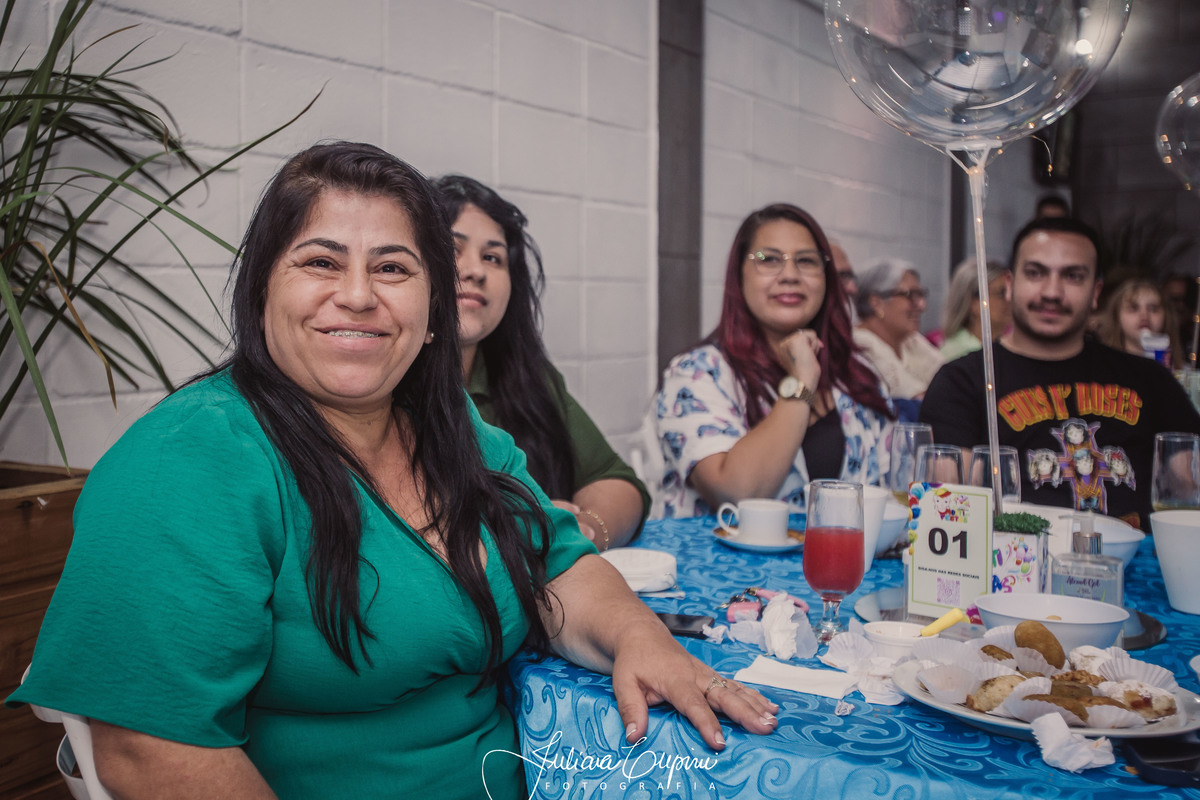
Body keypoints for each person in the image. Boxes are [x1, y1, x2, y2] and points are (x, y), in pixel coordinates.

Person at [8, 143, 778, 800]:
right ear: (262, 289)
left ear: (434, 308)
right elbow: (148, 748)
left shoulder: (453, 427)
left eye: (392, 267)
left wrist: (640, 635)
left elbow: (556, 561)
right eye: (320, 261)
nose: (357, 295)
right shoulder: (190, 458)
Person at [919, 216, 1200, 529]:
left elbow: (1189, 485)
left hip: (1139, 557)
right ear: (1010, 285)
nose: (1052, 292)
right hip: (1015, 556)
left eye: (1073, 276)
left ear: (1096, 292)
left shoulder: (1149, 379)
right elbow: (949, 514)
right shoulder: (961, 382)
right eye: (1036, 273)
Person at [434, 174, 648, 550]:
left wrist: (584, 530)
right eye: (453, 249)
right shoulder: (379, 387)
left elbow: (620, 484)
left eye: (492, 257)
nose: (476, 270)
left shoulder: (529, 380)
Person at [655, 203, 893, 518]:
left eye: (806, 261)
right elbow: (736, 494)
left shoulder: (857, 374)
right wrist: (801, 380)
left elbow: (890, 497)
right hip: (721, 552)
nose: (790, 275)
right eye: (768, 259)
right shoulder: (697, 374)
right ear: (739, 276)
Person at [852, 259, 944, 401]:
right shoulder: (859, 344)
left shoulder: (910, 340)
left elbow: (954, 384)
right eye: (910, 295)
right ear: (876, 303)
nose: (922, 305)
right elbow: (920, 401)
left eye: (920, 295)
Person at [1097, 278, 1182, 369]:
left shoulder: (1183, 371)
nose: (1144, 316)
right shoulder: (1102, 367)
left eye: (1153, 309)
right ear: (1116, 316)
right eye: (1133, 308)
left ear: (1166, 316)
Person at [940, 258, 1012, 362]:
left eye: (1011, 292)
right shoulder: (955, 355)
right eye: (1001, 293)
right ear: (973, 303)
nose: (1010, 299)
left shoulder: (1006, 350)